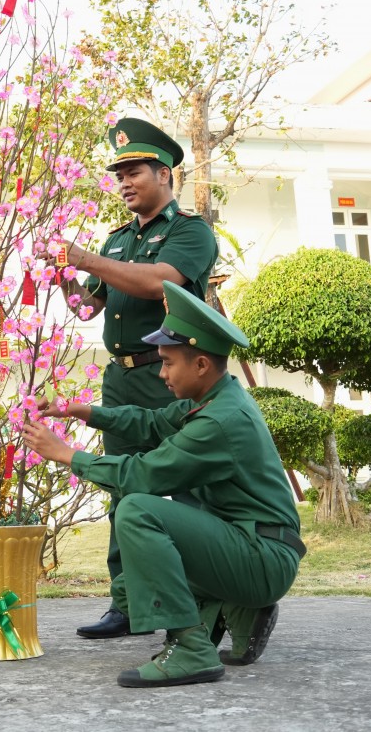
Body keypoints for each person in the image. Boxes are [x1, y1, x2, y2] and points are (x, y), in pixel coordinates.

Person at [22, 280, 305, 688]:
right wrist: (79, 410)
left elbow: (143, 476)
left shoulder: (219, 422)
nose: (161, 372)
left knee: (137, 509)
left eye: (168, 362)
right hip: (252, 544)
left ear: (201, 365)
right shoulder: (213, 398)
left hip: (262, 556)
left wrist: (67, 454)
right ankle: (238, 608)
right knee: (127, 588)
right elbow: (150, 422)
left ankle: (192, 648)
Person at [54, 117, 218, 639]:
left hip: (171, 377)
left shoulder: (191, 231)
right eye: (119, 173)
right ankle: (126, 604)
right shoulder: (116, 240)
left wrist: (85, 258)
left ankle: (199, 604)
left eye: (134, 171)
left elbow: (158, 285)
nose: (124, 182)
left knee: (190, 489)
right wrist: (61, 270)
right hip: (122, 379)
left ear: (165, 174)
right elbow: (86, 308)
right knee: (121, 488)